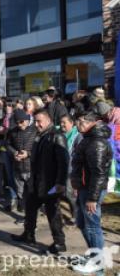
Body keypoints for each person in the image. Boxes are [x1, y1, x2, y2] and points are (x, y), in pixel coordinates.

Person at [11, 109, 68, 255]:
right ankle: (28, 235)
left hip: (51, 184)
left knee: (53, 214)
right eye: (35, 121)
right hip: (36, 181)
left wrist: (60, 183)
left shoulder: (57, 137)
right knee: (30, 208)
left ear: (48, 120)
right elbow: (36, 156)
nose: (36, 124)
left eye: (39, 121)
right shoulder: (39, 135)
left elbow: (64, 162)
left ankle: (59, 243)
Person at [70, 112, 112, 274]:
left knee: (93, 227)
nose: (78, 124)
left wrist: (92, 198)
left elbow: (99, 173)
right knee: (81, 223)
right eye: (77, 121)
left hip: (91, 191)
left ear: (92, 123)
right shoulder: (88, 138)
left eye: (81, 121)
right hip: (84, 188)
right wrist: (77, 184)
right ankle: (93, 255)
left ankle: (98, 265)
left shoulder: (97, 143)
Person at [5, 109, 37, 214]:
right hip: (17, 167)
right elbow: (7, 144)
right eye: (17, 122)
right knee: (21, 193)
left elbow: (40, 148)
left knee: (32, 194)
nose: (19, 124)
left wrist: (28, 154)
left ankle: (31, 216)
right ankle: (26, 216)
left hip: (31, 168)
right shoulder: (12, 131)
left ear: (27, 120)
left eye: (22, 121)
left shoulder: (35, 130)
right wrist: (14, 153)